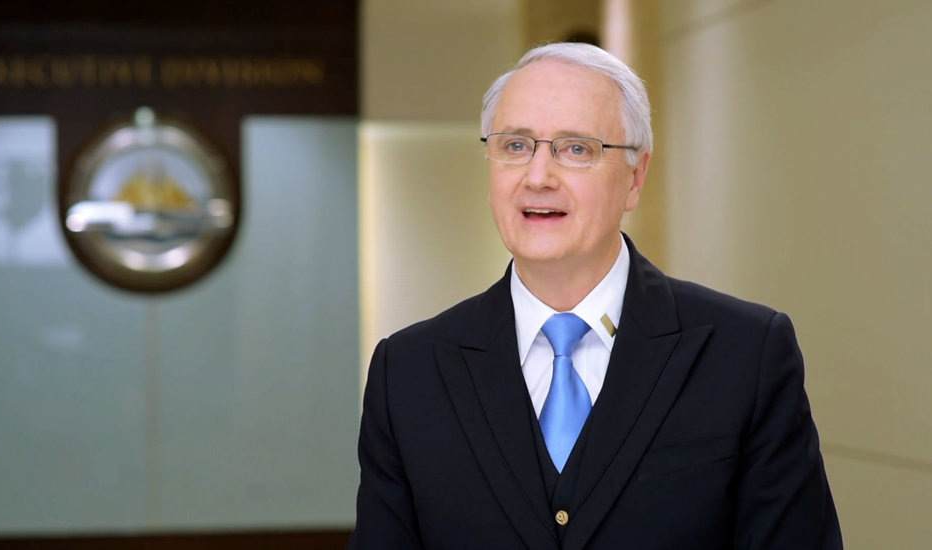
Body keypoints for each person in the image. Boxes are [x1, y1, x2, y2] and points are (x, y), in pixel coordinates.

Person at [349, 42, 841, 550]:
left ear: (636, 177)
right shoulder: (407, 372)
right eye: (515, 146)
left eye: (576, 149)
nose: (538, 177)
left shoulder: (746, 354)